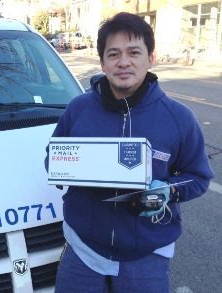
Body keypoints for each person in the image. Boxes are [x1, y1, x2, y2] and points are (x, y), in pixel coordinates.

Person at [45, 12, 214, 292]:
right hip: (83, 249)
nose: (124, 62)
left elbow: (198, 177)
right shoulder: (78, 110)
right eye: (114, 54)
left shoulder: (178, 118)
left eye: (134, 52)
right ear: (102, 62)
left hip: (147, 253)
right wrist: (67, 166)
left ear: (151, 57)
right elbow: (52, 160)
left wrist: (168, 191)